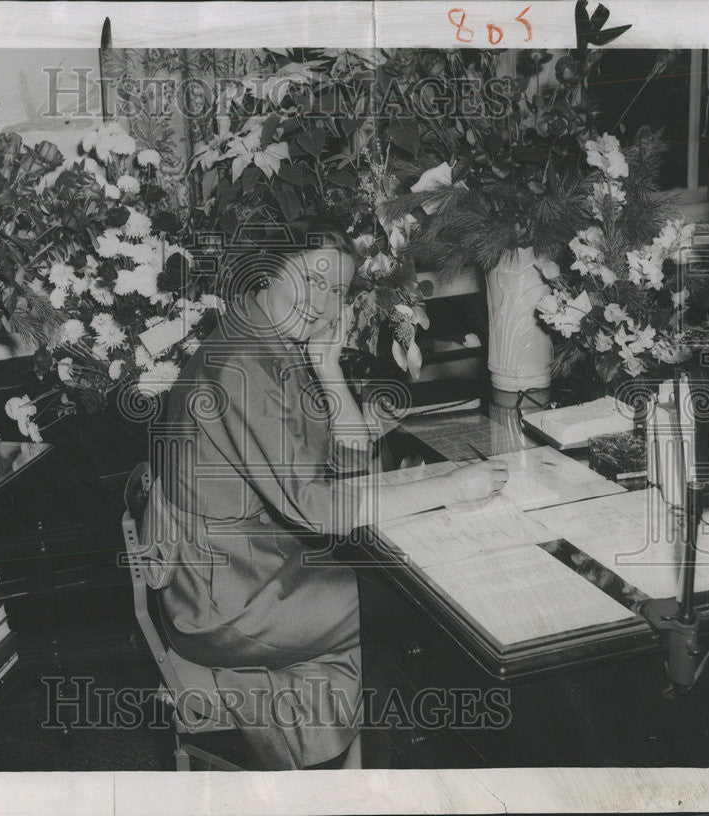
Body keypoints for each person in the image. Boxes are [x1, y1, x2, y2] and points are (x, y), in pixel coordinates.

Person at [140, 220, 508, 770]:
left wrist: (327, 364)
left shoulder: (270, 343)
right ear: (268, 273)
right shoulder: (241, 363)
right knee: (419, 614)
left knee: (394, 597)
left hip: (255, 569)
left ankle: (342, 769)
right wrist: (448, 487)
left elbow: (351, 462)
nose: (322, 302)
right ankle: (385, 770)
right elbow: (315, 507)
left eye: (336, 290)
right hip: (228, 599)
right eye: (311, 279)